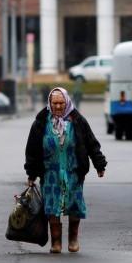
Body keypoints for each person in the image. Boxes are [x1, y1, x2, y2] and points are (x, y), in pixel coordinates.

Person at [24, 87, 107, 253]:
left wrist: (99, 164)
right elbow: (32, 150)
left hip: (73, 170)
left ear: (67, 102)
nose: (58, 106)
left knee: (74, 204)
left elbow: (91, 143)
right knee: (51, 206)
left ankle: (73, 239)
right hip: (50, 173)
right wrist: (31, 173)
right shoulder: (41, 122)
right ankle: (56, 242)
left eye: (61, 103)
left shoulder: (77, 120)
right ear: (49, 103)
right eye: (55, 103)